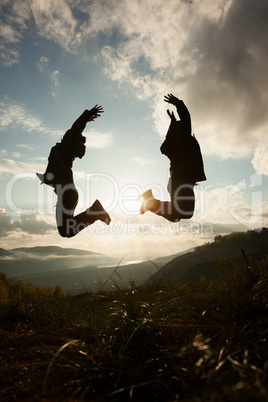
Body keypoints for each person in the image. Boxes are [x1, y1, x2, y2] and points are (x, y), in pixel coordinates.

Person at [37, 105, 111, 238]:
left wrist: (87, 115)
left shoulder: (66, 148)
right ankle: (95, 211)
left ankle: (95, 211)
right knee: (66, 231)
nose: (68, 132)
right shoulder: (62, 150)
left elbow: (76, 127)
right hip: (66, 193)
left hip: (67, 193)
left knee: (66, 231)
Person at [139, 94, 206, 222]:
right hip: (182, 181)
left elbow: (164, 146)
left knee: (177, 215)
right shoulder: (183, 140)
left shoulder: (171, 146)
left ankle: (150, 202)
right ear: (179, 131)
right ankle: (150, 202)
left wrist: (172, 125)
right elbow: (186, 118)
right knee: (184, 213)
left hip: (177, 181)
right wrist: (177, 103)